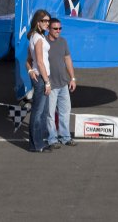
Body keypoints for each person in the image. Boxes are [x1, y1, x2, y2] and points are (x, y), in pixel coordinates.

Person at [45, 18, 77, 148]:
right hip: (51, 85)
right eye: (55, 29)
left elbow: (67, 59)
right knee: (50, 114)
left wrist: (72, 78)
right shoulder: (43, 43)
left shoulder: (63, 42)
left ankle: (65, 137)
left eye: (60, 28)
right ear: (48, 29)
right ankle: (52, 139)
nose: (58, 31)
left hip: (63, 84)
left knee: (65, 112)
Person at [26, 9, 52, 153]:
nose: (47, 23)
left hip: (41, 77)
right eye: (44, 21)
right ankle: (36, 145)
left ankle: (41, 141)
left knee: (43, 112)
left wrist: (30, 70)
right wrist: (47, 82)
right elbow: (40, 62)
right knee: (38, 112)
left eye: (48, 21)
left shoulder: (35, 37)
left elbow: (28, 61)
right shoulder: (38, 39)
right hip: (42, 79)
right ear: (38, 22)